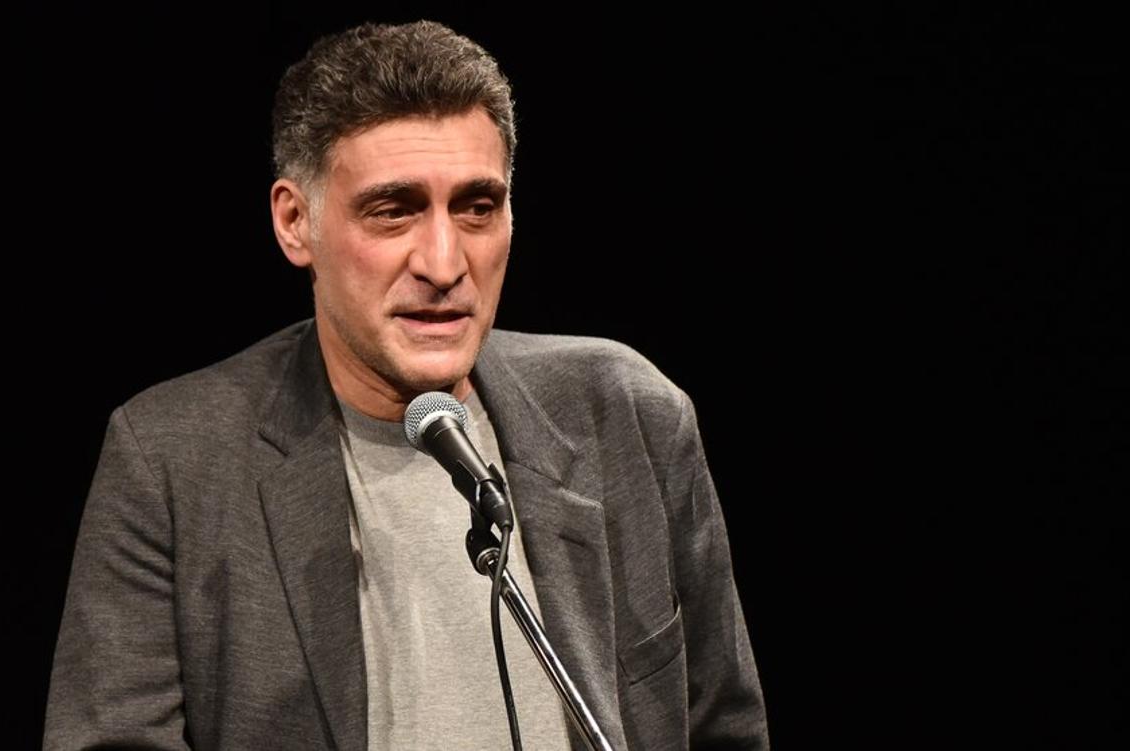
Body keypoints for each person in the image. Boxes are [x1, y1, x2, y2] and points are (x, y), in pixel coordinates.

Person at [45, 20, 768, 751]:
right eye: (394, 211)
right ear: (296, 222)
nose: (444, 263)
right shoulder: (170, 459)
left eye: (477, 208)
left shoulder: (630, 416)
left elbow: (725, 729)